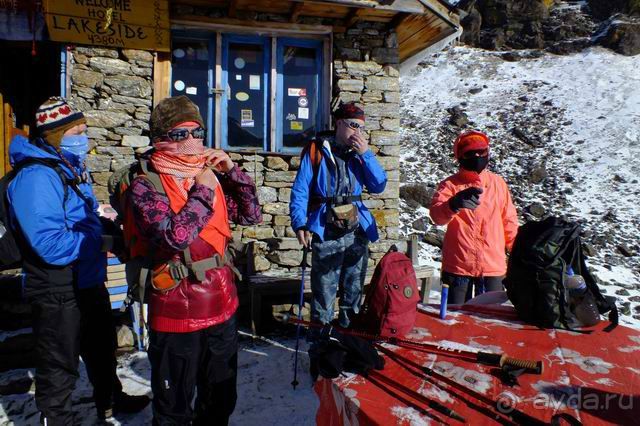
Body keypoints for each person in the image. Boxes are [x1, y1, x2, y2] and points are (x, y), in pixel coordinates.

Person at [7, 97, 149, 425]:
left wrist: (109, 229)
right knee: (59, 364)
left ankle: (111, 400)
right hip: (56, 285)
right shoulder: (36, 177)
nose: (84, 136)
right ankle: (59, 419)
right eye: (77, 130)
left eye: (84, 129)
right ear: (57, 135)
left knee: (100, 351)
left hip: (86, 279)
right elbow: (49, 244)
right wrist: (100, 242)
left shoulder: (69, 166)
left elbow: (83, 217)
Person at [127, 95, 261, 425]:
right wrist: (203, 190)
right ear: (160, 138)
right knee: (173, 410)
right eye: (179, 134)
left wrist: (231, 171)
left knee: (219, 401)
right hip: (177, 316)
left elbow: (251, 214)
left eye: (197, 132)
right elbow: (174, 236)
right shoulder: (146, 185)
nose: (192, 142)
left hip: (222, 306)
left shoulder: (210, 174)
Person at [290, 102, 387, 329]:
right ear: (339, 123)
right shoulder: (316, 150)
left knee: (353, 293)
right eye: (354, 125)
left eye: (362, 127)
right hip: (326, 230)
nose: (358, 132)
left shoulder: (360, 154)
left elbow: (378, 185)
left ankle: (349, 342)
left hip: (356, 231)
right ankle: (321, 351)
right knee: (324, 295)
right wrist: (300, 223)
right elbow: (301, 190)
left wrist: (366, 154)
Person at [429, 130, 519, 304]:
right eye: (471, 153)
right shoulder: (450, 185)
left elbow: (509, 222)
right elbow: (437, 217)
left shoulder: (498, 183)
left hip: (492, 268)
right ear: (461, 157)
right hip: (458, 267)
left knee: (490, 324)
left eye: (482, 152)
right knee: (454, 322)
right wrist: (453, 204)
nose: (477, 156)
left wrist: (519, 253)